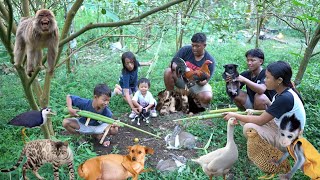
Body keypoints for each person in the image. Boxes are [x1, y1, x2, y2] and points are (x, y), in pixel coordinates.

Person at [223, 61, 306, 151]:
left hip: (290, 140)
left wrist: (234, 115)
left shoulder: (284, 98)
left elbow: (260, 121)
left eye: (267, 77)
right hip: (282, 128)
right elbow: (273, 111)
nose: (265, 80)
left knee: (249, 128)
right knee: (247, 119)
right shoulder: (281, 93)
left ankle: (270, 151)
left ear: (279, 80)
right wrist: (253, 112)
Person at [163, 32, 216, 108]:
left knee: (206, 97)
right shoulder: (185, 50)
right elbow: (172, 64)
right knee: (168, 71)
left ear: (204, 45)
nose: (194, 48)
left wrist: (197, 78)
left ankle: (186, 97)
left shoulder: (210, 60)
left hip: (196, 84)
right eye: (193, 45)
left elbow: (204, 82)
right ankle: (170, 98)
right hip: (182, 78)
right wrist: (182, 69)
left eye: (197, 46)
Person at [112, 51, 154, 118]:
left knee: (140, 95)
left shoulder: (135, 63)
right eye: (127, 63)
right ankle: (118, 90)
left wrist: (147, 63)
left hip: (134, 84)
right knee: (133, 101)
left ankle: (118, 88)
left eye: (131, 63)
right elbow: (126, 92)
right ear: (124, 64)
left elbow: (139, 63)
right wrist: (133, 107)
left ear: (134, 61)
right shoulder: (126, 74)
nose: (130, 65)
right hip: (126, 86)